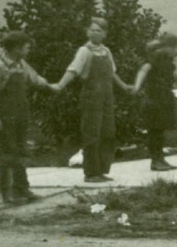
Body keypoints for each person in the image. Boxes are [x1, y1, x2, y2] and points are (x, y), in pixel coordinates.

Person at [53, 18, 133, 183]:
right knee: (92, 133)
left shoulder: (106, 51)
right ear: (87, 32)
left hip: (107, 97)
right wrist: (60, 85)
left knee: (108, 133)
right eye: (92, 30)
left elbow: (112, 73)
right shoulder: (84, 51)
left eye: (99, 30)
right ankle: (91, 173)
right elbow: (73, 70)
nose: (95, 33)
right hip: (91, 97)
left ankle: (102, 170)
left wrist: (124, 86)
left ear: (104, 34)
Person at [0, 31, 57, 202]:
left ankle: (22, 189)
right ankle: (7, 193)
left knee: (21, 152)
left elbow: (36, 79)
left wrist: (53, 87)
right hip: (5, 117)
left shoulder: (21, 64)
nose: (28, 50)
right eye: (26, 47)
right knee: (7, 153)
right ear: (16, 48)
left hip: (21, 116)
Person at [134, 35, 177, 171]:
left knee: (160, 130)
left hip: (164, 97)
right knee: (155, 130)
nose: (176, 53)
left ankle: (160, 159)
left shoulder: (168, 61)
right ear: (167, 47)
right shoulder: (156, 58)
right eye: (174, 50)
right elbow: (144, 69)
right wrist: (137, 86)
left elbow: (174, 75)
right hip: (154, 98)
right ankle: (155, 160)